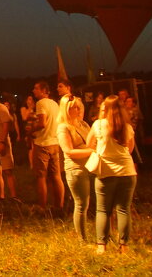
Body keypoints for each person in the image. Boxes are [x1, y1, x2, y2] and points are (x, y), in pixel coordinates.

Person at [86, 96, 137, 254]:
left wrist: (102, 149)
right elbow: (130, 148)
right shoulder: (126, 126)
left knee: (102, 210)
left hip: (105, 172)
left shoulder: (98, 125)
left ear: (105, 109)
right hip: (127, 172)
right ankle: (124, 246)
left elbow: (89, 144)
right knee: (123, 209)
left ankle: (101, 245)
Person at [57, 96, 93, 240]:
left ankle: (104, 235)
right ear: (66, 109)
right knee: (81, 204)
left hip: (91, 166)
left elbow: (92, 142)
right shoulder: (63, 127)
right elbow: (69, 151)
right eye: (73, 107)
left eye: (79, 107)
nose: (77, 110)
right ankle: (82, 239)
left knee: (96, 204)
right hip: (76, 169)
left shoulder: (83, 124)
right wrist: (93, 151)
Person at [32, 80, 65, 212]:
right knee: (56, 176)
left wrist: (31, 130)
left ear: (43, 91)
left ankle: (42, 207)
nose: (33, 91)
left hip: (43, 143)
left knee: (41, 176)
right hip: (55, 142)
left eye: (36, 88)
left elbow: (42, 123)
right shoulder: (55, 104)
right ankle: (59, 206)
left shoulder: (40, 103)